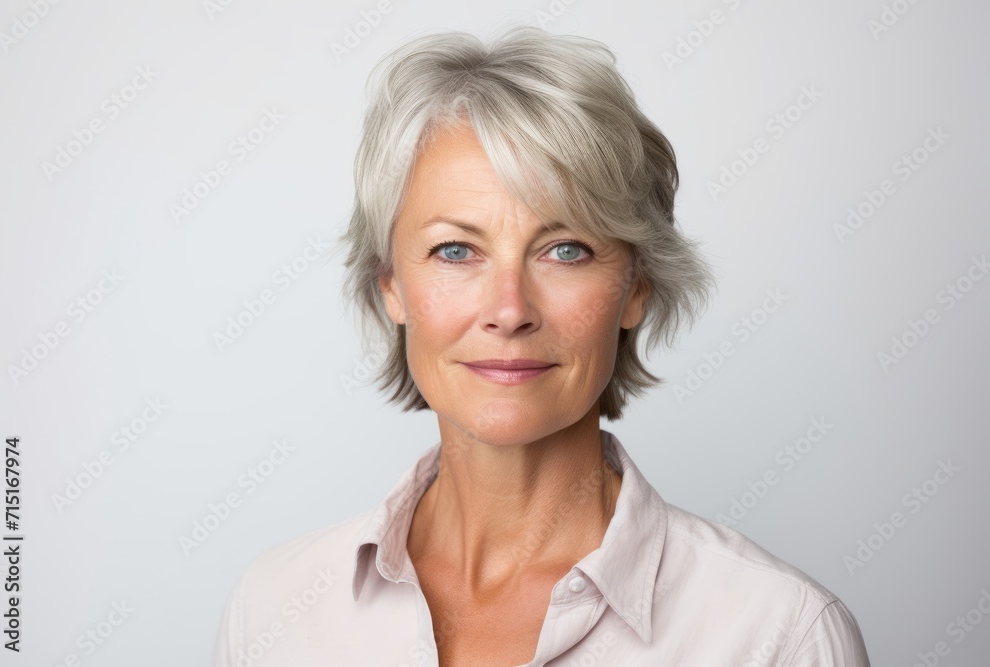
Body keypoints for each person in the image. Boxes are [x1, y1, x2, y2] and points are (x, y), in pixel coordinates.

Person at [213, 25, 871, 666]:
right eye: (455, 250)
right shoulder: (275, 611)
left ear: (635, 285)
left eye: (565, 250)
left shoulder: (781, 635)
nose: (510, 309)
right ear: (391, 285)